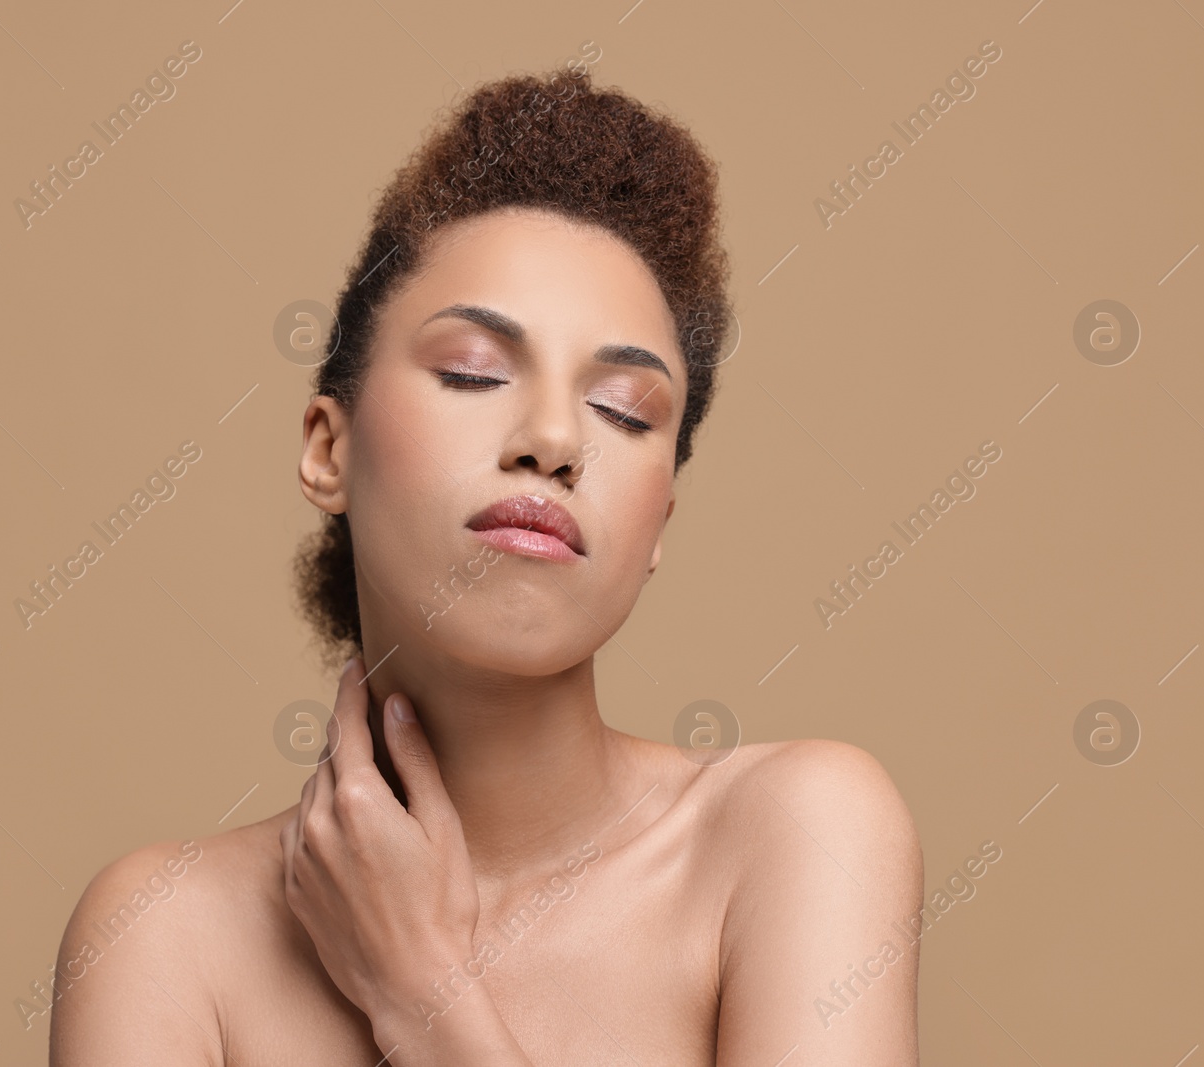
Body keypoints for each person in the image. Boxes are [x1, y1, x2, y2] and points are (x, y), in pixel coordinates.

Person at [49, 66, 923, 1066]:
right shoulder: (163, 939)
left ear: (658, 524)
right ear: (328, 449)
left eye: (624, 411)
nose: (553, 438)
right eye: (473, 370)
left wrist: (421, 991)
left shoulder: (795, 835)